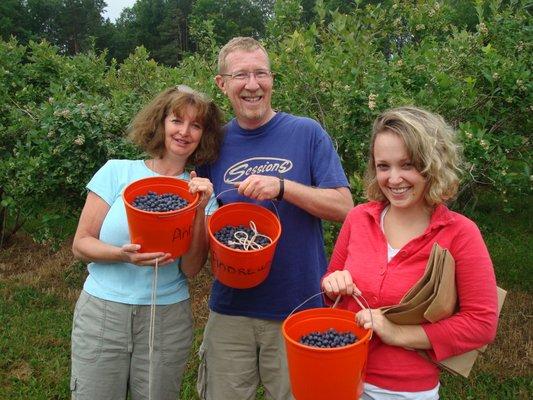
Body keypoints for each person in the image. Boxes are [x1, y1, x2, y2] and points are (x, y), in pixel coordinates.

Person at [195, 37, 354, 400]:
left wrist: (283, 187)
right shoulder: (212, 143)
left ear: (272, 79)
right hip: (231, 310)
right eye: (241, 75)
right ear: (222, 84)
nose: (252, 84)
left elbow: (345, 207)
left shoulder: (307, 132)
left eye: (260, 73)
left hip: (298, 306)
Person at [322, 106, 499, 399]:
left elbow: (481, 324)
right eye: (383, 166)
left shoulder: (459, 234)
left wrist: (398, 333)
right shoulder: (359, 218)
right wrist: (332, 283)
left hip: (403, 390)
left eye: (407, 165)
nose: (393, 179)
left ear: (433, 165)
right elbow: (331, 284)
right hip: (340, 374)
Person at [70, 85, 223, 400]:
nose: (184, 132)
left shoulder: (202, 193)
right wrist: (121, 255)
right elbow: (81, 244)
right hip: (102, 313)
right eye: (177, 121)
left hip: (165, 318)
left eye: (196, 125)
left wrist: (198, 211)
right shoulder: (117, 172)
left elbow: (192, 269)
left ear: (203, 135)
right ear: (160, 123)